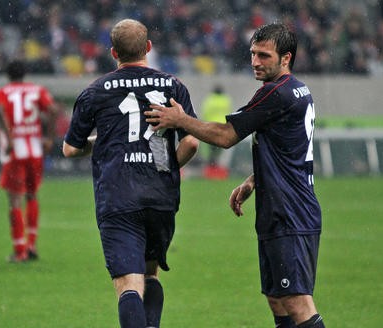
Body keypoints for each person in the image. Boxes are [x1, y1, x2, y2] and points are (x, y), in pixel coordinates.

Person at [146, 23, 325, 328]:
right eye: (253, 53)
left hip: (290, 212)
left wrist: (180, 119)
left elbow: (226, 135)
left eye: (264, 55)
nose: (255, 61)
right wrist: (254, 180)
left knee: (297, 301)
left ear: (286, 58)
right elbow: (287, 149)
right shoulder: (297, 89)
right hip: (280, 206)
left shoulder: (276, 93)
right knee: (277, 298)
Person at [62, 19, 199, 328]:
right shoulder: (173, 86)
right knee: (150, 275)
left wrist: (102, 141)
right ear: (148, 47)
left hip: (119, 194)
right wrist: (166, 169)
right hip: (160, 196)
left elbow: (70, 149)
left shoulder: (96, 91)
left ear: (113, 53)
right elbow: (191, 142)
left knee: (127, 284)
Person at [0, 60, 58, 262]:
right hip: (35, 150)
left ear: (8, 75)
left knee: (14, 199)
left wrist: (10, 137)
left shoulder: (2, 93)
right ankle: (32, 244)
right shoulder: (37, 90)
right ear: (24, 74)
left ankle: (20, 250)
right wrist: (49, 137)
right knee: (31, 194)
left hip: (16, 151)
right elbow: (54, 111)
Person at [201, 84, 232, 179]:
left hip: (212, 127)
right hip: (223, 128)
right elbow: (229, 112)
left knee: (211, 149)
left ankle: (211, 167)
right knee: (219, 149)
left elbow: (205, 113)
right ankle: (217, 167)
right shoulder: (226, 100)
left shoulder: (209, 100)